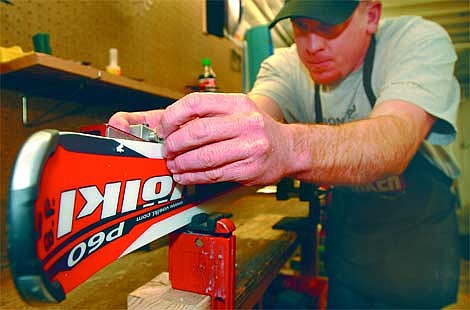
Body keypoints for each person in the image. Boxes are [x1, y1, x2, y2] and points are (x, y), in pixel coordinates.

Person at [109, 0, 461, 308]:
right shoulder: (287, 65)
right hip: (352, 237)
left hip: (416, 237)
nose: (311, 46)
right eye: (301, 27)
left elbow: (394, 142)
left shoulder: (416, 42)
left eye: (328, 27)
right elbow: (255, 114)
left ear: (371, 15)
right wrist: (190, 131)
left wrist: (288, 147)